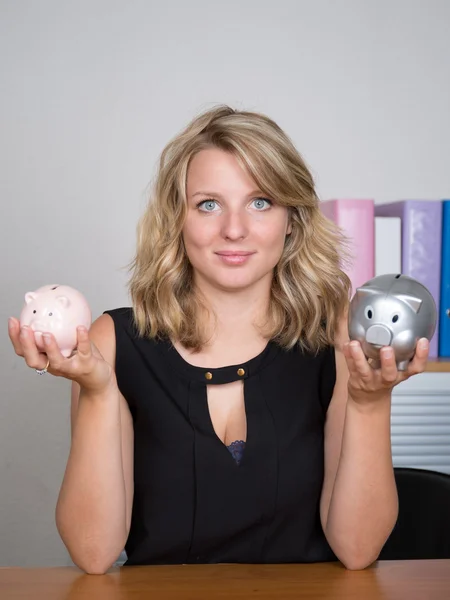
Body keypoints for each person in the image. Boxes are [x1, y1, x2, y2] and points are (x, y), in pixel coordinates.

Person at [8, 105, 430, 575]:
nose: (234, 229)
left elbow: (357, 549)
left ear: (292, 220)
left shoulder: (334, 338)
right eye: (208, 204)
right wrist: (98, 391)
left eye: (261, 202)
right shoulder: (113, 342)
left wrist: (371, 404)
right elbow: (93, 553)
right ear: (177, 219)